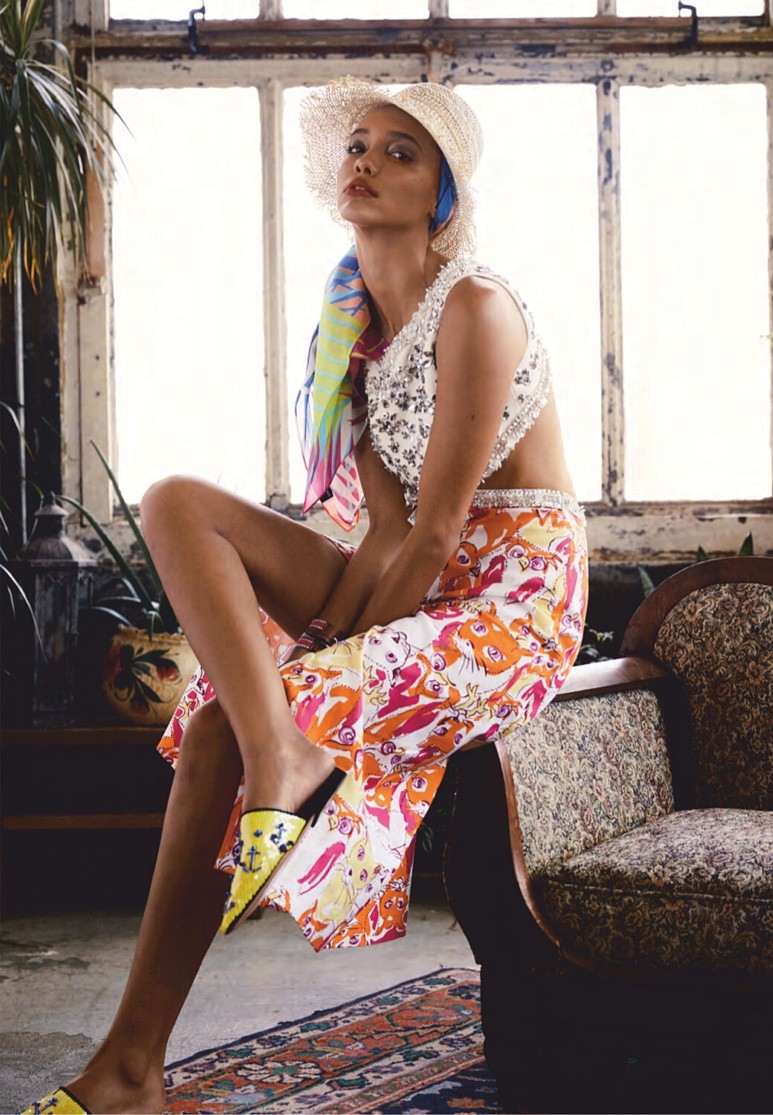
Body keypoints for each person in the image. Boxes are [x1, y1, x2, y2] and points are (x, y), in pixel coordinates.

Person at [24, 76, 588, 1115]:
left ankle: (130, 1067)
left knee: (238, 722)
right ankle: (130, 1069)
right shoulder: (358, 339)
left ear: (442, 198)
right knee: (177, 506)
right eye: (358, 144)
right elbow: (384, 531)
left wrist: (327, 656)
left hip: (509, 598)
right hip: (418, 576)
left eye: (400, 152)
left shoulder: (476, 304)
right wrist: (324, 644)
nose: (365, 160)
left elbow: (438, 529)